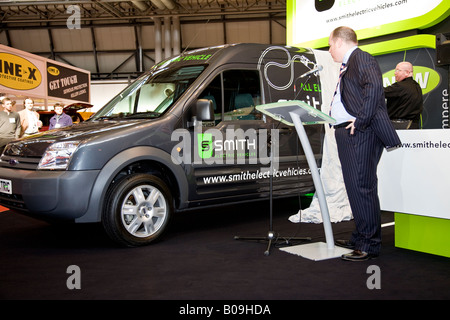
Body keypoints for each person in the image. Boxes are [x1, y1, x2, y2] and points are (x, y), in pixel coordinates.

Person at [328, 26, 401, 261]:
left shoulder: (362, 57)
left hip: (360, 132)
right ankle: (360, 237)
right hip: (349, 132)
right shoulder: (350, 63)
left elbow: (374, 89)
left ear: (339, 42)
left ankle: (369, 244)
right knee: (354, 187)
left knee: (362, 186)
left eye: (330, 45)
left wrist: (360, 121)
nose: (329, 50)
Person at [384, 61, 423, 129]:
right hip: (413, 127)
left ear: (407, 72)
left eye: (397, 70)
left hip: (399, 127)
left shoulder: (400, 86)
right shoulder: (417, 86)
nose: (395, 73)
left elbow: (380, 92)